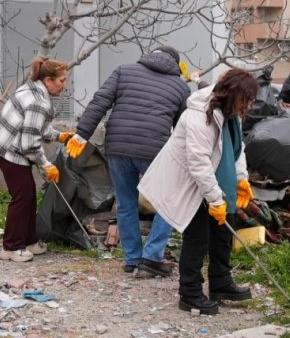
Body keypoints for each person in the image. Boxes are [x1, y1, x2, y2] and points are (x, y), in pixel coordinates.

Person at [139, 69, 257, 314]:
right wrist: (214, 199)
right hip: (191, 185)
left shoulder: (231, 114)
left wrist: (241, 179)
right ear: (231, 95)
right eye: (245, 100)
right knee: (198, 238)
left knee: (223, 234)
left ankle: (221, 283)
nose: (248, 105)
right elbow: (198, 163)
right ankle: (190, 293)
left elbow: (237, 149)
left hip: (218, 182)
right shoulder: (198, 117)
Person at [67, 46, 190, 275]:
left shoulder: (123, 71)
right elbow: (185, 126)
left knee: (126, 203)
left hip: (118, 146)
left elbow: (100, 101)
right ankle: (151, 257)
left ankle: (132, 259)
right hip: (155, 149)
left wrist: (82, 133)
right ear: (175, 64)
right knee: (168, 203)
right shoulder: (181, 86)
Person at [0, 57, 69, 263]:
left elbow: (35, 126)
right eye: (62, 81)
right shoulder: (38, 102)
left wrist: (60, 136)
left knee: (28, 194)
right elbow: (29, 144)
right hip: (8, 150)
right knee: (22, 196)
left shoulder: (31, 88)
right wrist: (46, 165)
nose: (64, 86)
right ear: (48, 80)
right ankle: (11, 247)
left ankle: (30, 241)